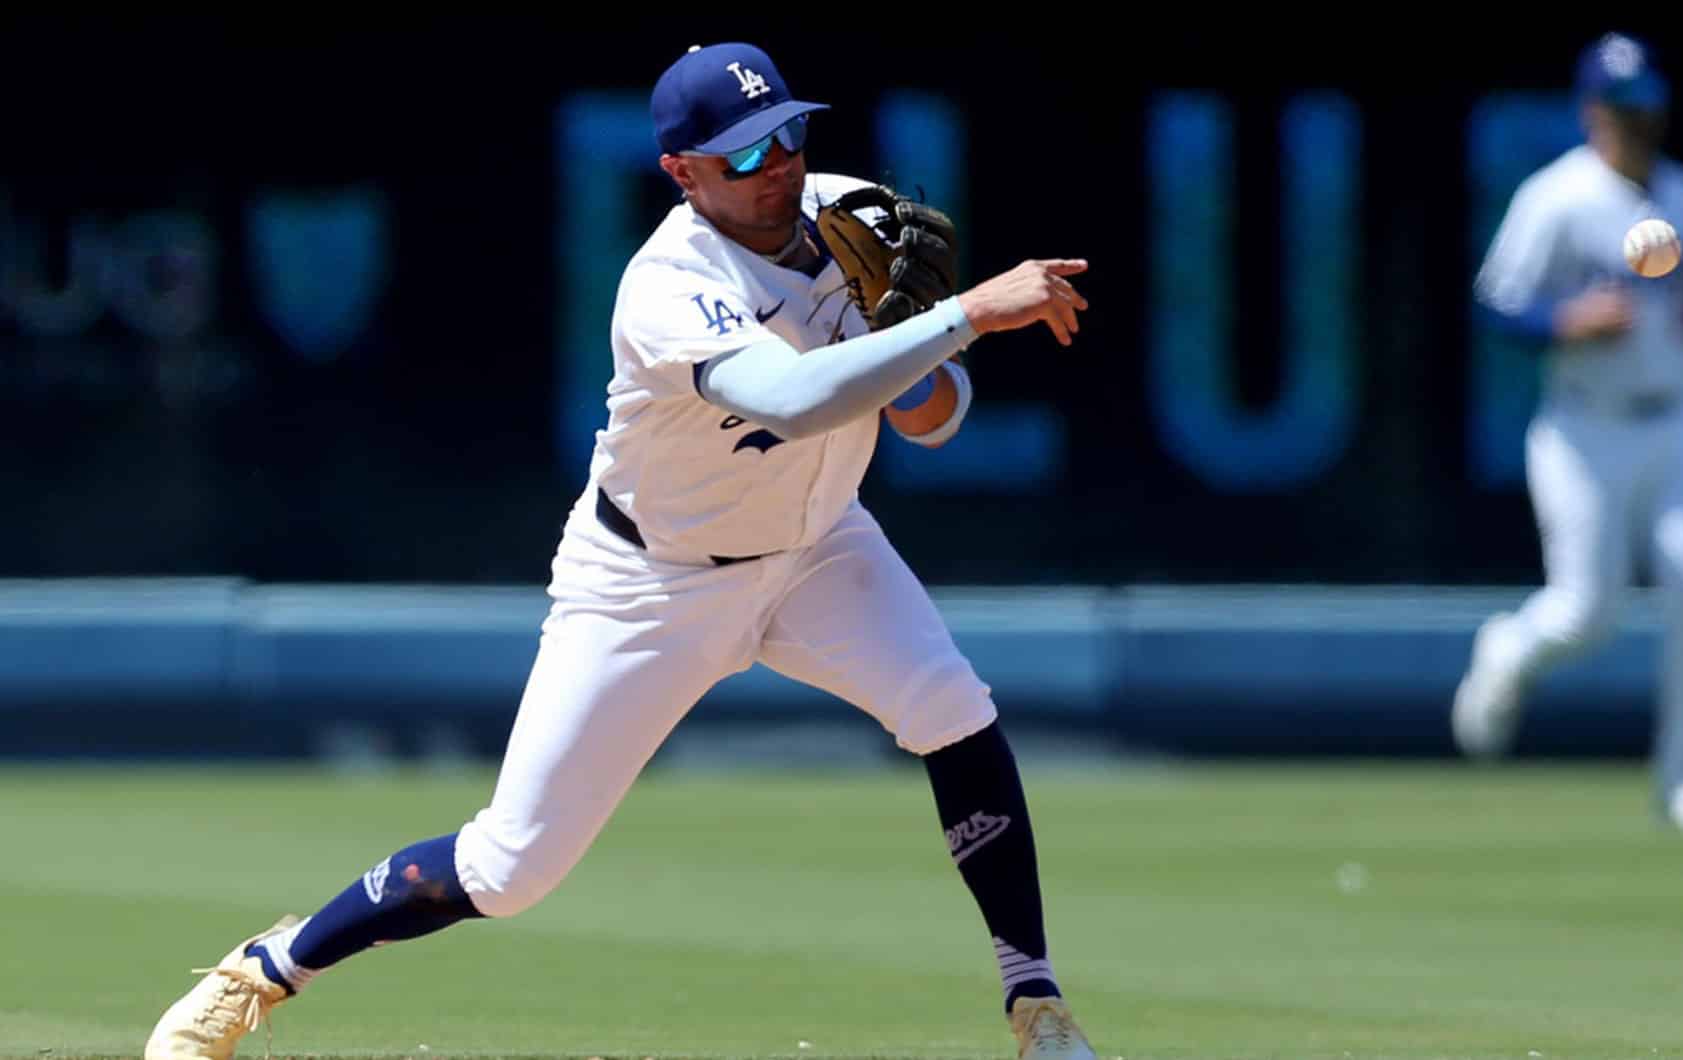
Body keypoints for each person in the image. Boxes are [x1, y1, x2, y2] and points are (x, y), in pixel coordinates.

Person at [144, 41, 1097, 1060]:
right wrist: (961, 316)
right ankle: (265, 969)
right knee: (510, 870)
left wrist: (914, 334)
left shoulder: (846, 215)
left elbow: (933, 422)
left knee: (952, 709)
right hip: (653, 580)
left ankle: (1035, 1004)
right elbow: (791, 397)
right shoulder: (669, 286)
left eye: (787, 133)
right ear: (681, 172)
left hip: (819, 547)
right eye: (742, 154)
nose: (777, 162)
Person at [1451, 32, 1683, 833]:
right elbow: (1495, 301)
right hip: (1583, 428)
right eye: (1623, 110)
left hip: (1679, 421)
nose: (1638, 126)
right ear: (1592, 112)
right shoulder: (1556, 199)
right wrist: (1566, 319)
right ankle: (1510, 649)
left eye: (1648, 110)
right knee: (1587, 612)